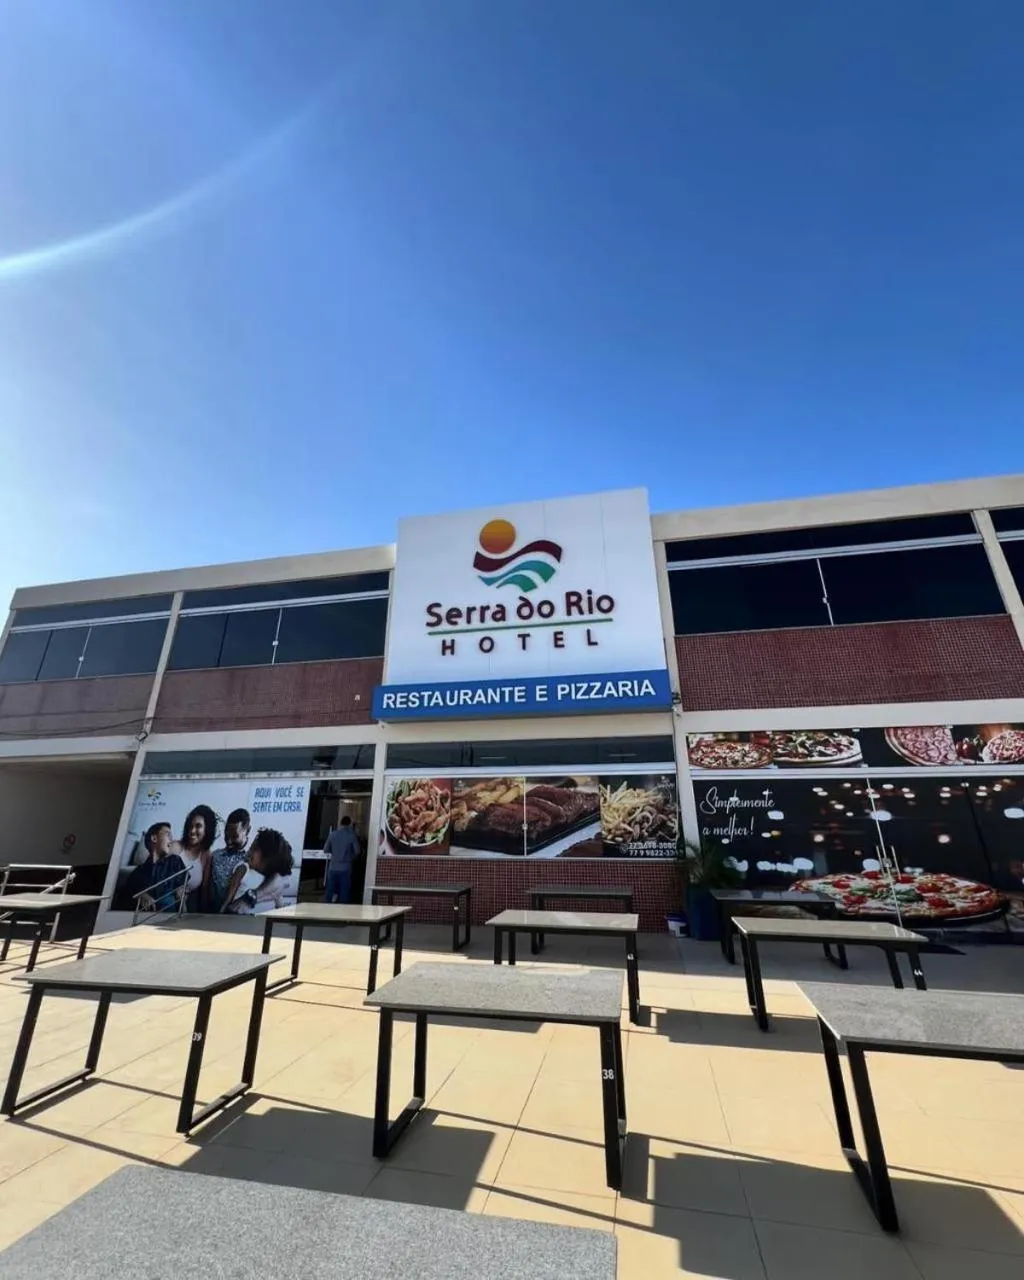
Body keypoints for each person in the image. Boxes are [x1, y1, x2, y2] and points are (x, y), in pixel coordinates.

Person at [221, 828, 293, 915]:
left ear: (267, 856)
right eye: (252, 847)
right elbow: (229, 896)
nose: (250, 850)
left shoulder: (273, 880)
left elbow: (279, 901)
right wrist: (221, 913)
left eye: (255, 848)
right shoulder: (243, 867)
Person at [122, 823, 187, 912]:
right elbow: (125, 897)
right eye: (168, 835)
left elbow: (183, 888)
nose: (171, 840)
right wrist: (141, 896)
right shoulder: (137, 872)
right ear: (154, 838)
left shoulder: (175, 861)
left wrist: (182, 891)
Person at [174, 804, 217, 912]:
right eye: (190, 826)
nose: (192, 831)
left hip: (186, 904)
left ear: (207, 829)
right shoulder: (176, 847)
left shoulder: (207, 856)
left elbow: (204, 889)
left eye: (198, 826)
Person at [209, 808, 251, 912]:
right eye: (227, 835)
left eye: (234, 836)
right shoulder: (215, 856)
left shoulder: (253, 861)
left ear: (247, 830)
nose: (229, 841)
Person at [323, 815, 359, 904]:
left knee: (329, 892)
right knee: (344, 893)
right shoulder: (351, 836)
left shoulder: (332, 834)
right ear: (349, 824)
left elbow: (325, 849)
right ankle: (342, 910)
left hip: (333, 867)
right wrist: (350, 857)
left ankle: (325, 909)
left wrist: (335, 853)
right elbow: (357, 851)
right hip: (345, 868)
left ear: (340, 824)